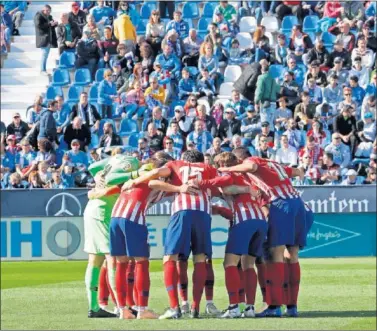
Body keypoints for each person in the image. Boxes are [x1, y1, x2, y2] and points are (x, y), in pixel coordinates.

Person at [123, 150, 233, 319]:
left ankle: (175, 308)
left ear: (183, 159)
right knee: (200, 258)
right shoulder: (208, 167)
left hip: (182, 210)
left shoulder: (176, 165)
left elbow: (154, 179)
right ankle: (196, 307)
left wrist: (135, 181)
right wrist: (205, 183)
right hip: (203, 212)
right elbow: (227, 179)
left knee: (170, 258)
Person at [217, 153, 309, 318]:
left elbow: (251, 167)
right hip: (299, 204)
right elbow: (296, 172)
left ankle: (274, 306)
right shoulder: (273, 164)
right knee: (292, 255)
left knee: (275, 254)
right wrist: (301, 172)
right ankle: (291, 306)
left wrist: (225, 168)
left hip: (281, 204)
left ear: (240, 159)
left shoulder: (252, 162)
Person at [34, 4, 58, 75]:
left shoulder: (49, 16)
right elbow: (38, 25)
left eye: (49, 11)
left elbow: (51, 25)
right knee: (44, 54)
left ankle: (43, 69)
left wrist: (55, 24)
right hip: (43, 38)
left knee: (46, 54)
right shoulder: (38, 15)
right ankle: (42, 70)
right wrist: (49, 24)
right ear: (43, 10)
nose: (48, 12)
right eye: (46, 10)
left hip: (49, 38)